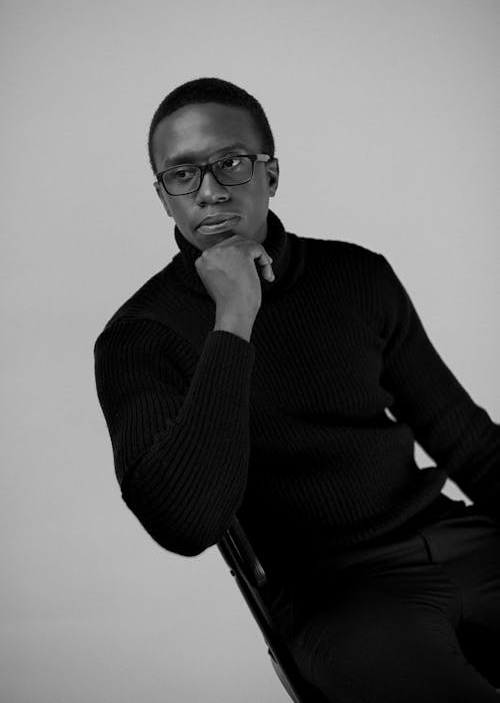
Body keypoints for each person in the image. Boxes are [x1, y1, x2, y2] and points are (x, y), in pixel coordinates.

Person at [93, 77, 500, 702]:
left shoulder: (356, 275)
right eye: (182, 175)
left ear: (271, 174)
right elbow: (184, 523)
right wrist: (233, 316)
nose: (209, 191)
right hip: (338, 598)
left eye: (231, 162)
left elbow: (462, 436)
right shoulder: (139, 337)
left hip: (463, 543)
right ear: (163, 197)